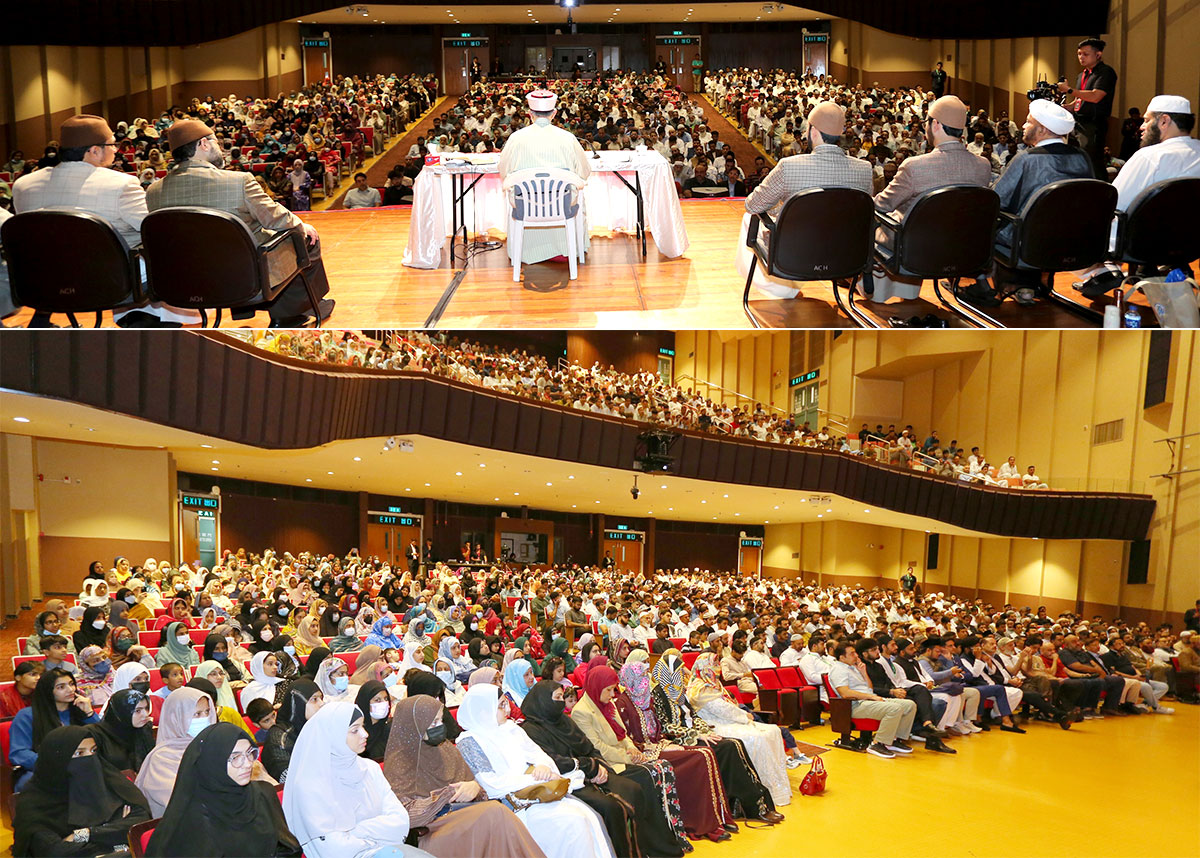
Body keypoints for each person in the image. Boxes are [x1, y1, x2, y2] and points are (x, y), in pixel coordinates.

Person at [10, 114, 195, 327]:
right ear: (94, 150)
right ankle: (157, 323)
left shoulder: (24, 185)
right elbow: (154, 231)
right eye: (111, 144)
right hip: (103, 285)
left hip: (41, 284)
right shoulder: (121, 184)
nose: (116, 149)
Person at [145, 119, 334, 327]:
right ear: (203, 144)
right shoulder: (238, 181)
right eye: (216, 142)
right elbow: (276, 218)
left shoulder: (153, 193)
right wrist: (300, 225)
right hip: (247, 278)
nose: (220, 148)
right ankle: (289, 314)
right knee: (305, 236)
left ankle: (271, 310)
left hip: (188, 282)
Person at [456, 683, 620, 858]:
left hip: (539, 792)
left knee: (588, 817)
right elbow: (490, 784)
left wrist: (544, 768)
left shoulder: (511, 729)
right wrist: (534, 779)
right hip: (511, 803)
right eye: (501, 705)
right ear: (483, 711)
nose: (508, 709)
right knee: (573, 824)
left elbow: (540, 755)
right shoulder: (469, 741)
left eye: (506, 703)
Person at [383, 695, 550, 858]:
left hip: (463, 816)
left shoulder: (445, 748)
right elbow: (405, 815)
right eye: (433, 722)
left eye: (441, 720)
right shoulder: (400, 760)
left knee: (496, 814)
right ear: (414, 726)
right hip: (431, 830)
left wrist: (475, 788)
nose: (440, 727)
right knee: (495, 813)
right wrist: (447, 794)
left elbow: (480, 791)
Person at [743, 100, 873, 298]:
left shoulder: (789, 166)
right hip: (845, 257)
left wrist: (779, 209)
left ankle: (780, 291)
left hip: (794, 257)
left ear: (813, 131)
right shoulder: (864, 169)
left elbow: (753, 204)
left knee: (749, 218)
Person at [869, 95, 992, 303]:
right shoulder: (983, 165)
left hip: (916, 252)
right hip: (963, 251)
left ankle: (869, 289)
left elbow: (882, 205)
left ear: (935, 124)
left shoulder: (915, 166)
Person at [1076, 95, 1200, 298]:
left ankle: (1104, 272)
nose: (1141, 126)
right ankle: (1162, 268)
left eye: (1147, 120)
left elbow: (1114, 204)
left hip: (1138, 244)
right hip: (1190, 243)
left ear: (1164, 121)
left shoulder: (1149, 157)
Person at [976, 98, 1093, 306]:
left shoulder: (1026, 159)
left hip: (1028, 244)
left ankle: (985, 287)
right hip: (1074, 243)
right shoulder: (1082, 157)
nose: (1023, 126)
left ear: (1042, 130)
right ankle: (1030, 284)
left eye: (1028, 122)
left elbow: (996, 200)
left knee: (984, 218)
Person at [283, 700, 437, 858]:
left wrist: (355, 832)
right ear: (333, 735)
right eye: (354, 730)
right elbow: (331, 848)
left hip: (389, 850)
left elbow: (400, 821)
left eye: (362, 726)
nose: (365, 734)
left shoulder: (370, 768)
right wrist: (376, 837)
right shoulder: (310, 784)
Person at [613, 661, 735, 842]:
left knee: (707, 753)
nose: (645, 680)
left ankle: (717, 818)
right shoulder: (622, 704)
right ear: (630, 680)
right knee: (700, 757)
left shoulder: (646, 699)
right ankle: (701, 823)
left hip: (661, 744)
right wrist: (660, 746)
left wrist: (665, 743)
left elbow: (659, 730)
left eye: (646, 675)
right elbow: (629, 741)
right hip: (646, 753)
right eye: (640, 676)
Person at [145, 722, 299, 858]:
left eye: (250, 753)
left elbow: (285, 847)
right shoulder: (191, 819)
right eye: (235, 758)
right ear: (213, 763)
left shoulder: (263, 793)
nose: (247, 764)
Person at [13, 726, 152, 858]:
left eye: (94, 751)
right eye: (79, 753)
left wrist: (84, 834)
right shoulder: (34, 802)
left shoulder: (109, 781)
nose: (90, 758)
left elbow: (141, 822)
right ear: (58, 760)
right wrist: (115, 835)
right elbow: (57, 853)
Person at [497, 89, 593, 267]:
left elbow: (504, 171)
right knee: (577, 192)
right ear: (554, 113)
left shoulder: (515, 138)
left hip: (526, 205)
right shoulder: (568, 138)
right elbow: (584, 172)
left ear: (530, 114)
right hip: (561, 205)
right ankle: (568, 248)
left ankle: (525, 251)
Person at [685, 652, 791, 806]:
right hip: (715, 724)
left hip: (729, 719)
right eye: (714, 664)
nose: (717, 668)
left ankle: (776, 787)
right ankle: (758, 787)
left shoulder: (713, 682)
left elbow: (729, 706)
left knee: (773, 730)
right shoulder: (699, 688)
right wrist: (744, 715)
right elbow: (721, 710)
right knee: (757, 738)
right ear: (704, 666)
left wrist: (742, 715)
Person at [9, 667, 100, 791]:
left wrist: (89, 713)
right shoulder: (27, 716)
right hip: (44, 769)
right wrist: (56, 764)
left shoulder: (80, 710)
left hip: (84, 765)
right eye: (61, 687)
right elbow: (19, 753)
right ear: (47, 691)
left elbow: (103, 739)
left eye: (71, 684)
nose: (70, 690)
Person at [829, 640, 919, 759]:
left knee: (910, 705)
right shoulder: (838, 669)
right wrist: (871, 697)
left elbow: (869, 688)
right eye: (851, 653)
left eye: (855, 652)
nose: (856, 655)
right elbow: (845, 693)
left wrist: (864, 673)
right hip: (854, 705)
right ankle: (877, 744)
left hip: (868, 700)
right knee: (895, 708)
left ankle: (893, 739)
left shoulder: (854, 667)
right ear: (842, 657)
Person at [134, 686, 216, 815]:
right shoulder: (162, 759)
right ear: (176, 717)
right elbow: (182, 802)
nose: (205, 718)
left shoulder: (212, 745)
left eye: (207, 712)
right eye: (197, 714)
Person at [1057, 37, 1117, 179]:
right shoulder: (1082, 75)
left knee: (1092, 161)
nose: (1081, 57)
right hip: (1078, 122)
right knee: (1076, 159)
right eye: (1079, 54)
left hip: (1094, 123)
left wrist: (1069, 90)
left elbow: (1096, 96)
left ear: (1098, 55)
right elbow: (1080, 99)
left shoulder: (1105, 72)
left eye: (1085, 54)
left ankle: (1101, 192)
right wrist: (1068, 107)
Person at [262, 677, 324, 781]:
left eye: (321, 698)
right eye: (314, 699)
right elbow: (287, 778)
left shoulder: (320, 727)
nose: (322, 704)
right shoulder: (279, 737)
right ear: (298, 703)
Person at [86, 687, 154, 772]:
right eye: (137, 711)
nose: (145, 714)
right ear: (122, 712)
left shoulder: (143, 729)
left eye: (146, 708)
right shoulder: (96, 734)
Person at [353, 679, 393, 761]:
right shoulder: (354, 732)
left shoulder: (392, 727)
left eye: (386, 699)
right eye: (377, 700)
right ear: (365, 702)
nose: (384, 703)